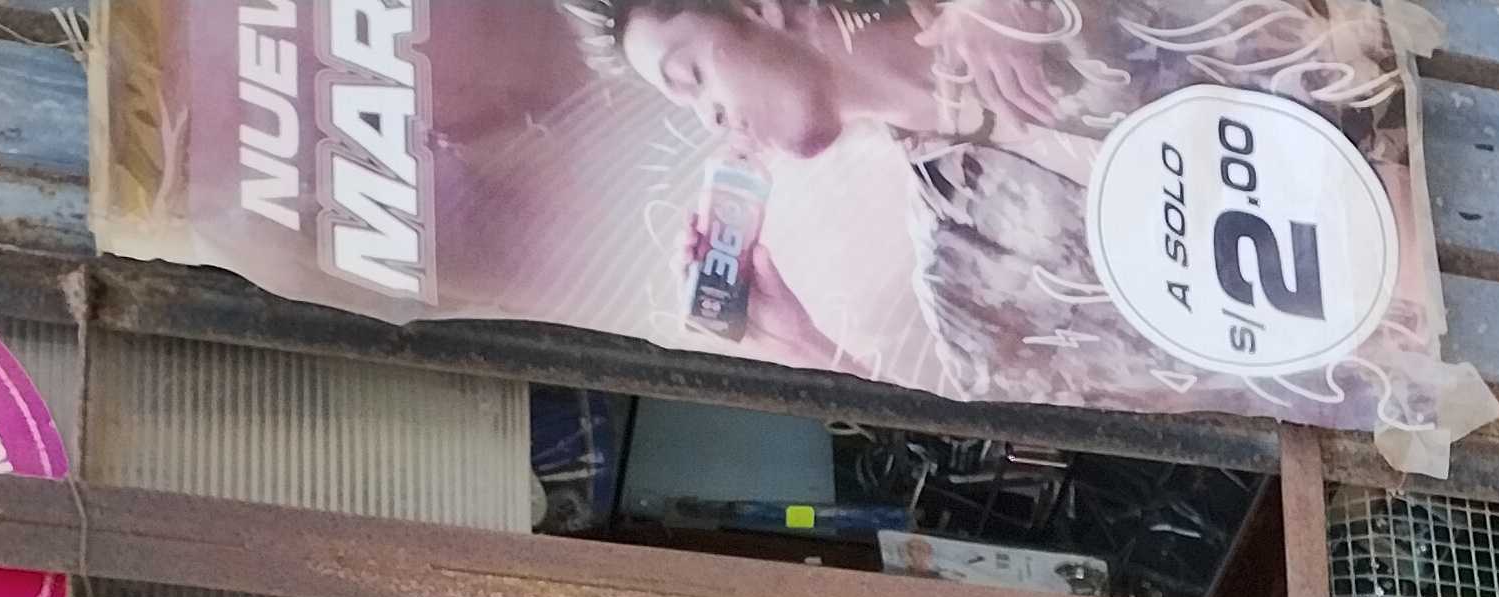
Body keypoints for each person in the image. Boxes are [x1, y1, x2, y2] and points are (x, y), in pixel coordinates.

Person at [560, 0, 1409, 407]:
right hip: (1425, 333)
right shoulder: (961, 265)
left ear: (762, 8)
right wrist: (814, 354)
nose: (708, 119)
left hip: (1439, 107)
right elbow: (1101, 432)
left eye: (692, 76)